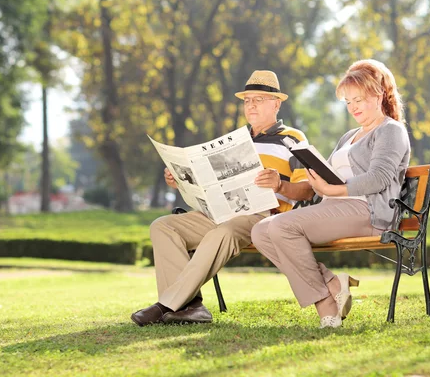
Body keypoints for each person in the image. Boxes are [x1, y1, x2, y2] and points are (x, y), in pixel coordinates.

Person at [131, 70, 314, 326]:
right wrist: (181, 181)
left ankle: (166, 305)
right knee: (162, 226)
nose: (251, 105)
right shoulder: (235, 140)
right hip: (219, 212)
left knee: (224, 232)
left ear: (276, 103)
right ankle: (190, 307)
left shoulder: (293, 138)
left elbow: (307, 190)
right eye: (247, 100)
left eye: (258, 99)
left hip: (263, 217)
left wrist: (279, 184)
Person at [251, 59, 411, 329]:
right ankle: (333, 284)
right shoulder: (349, 136)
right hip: (334, 207)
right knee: (260, 232)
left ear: (378, 95)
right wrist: (315, 178)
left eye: (358, 99)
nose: (353, 108)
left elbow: (379, 179)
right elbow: (329, 174)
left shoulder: (391, 130)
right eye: (348, 102)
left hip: (368, 211)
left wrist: (332, 189)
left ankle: (326, 305)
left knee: (280, 227)